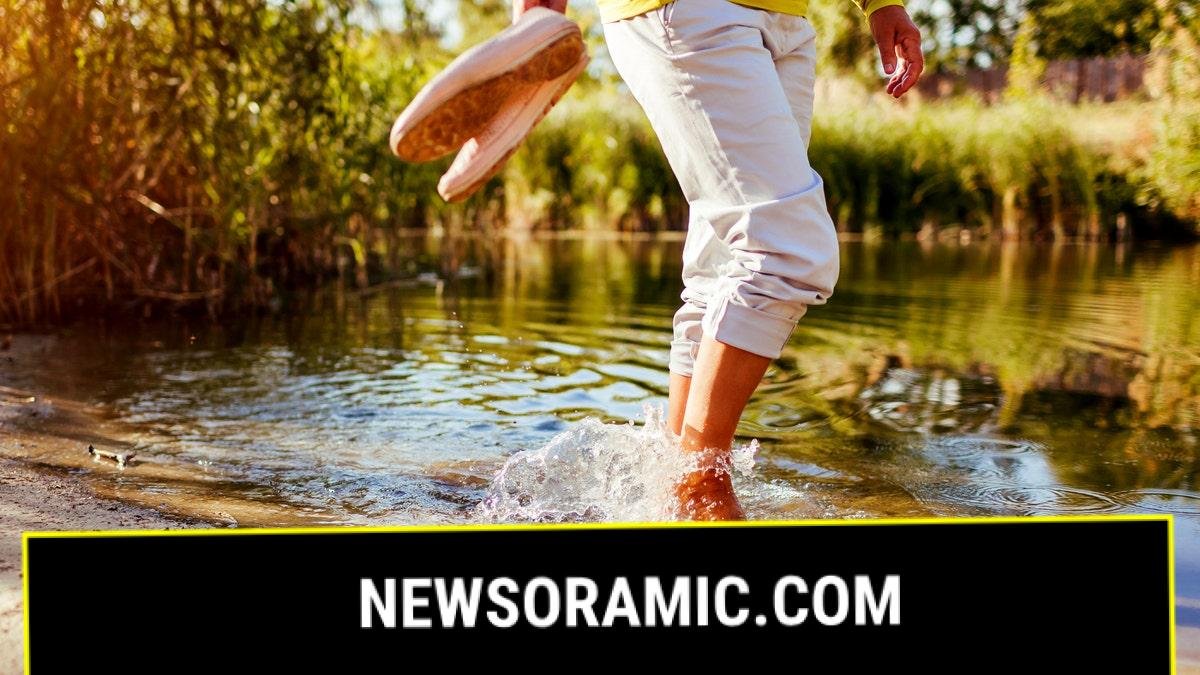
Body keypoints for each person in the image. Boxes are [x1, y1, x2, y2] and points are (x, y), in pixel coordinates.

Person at [515, 0, 923, 519]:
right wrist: (537, 21)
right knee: (787, 253)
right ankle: (701, 486)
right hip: (685, 8)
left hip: (788, 20)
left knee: (723, 267)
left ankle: (676, 483)